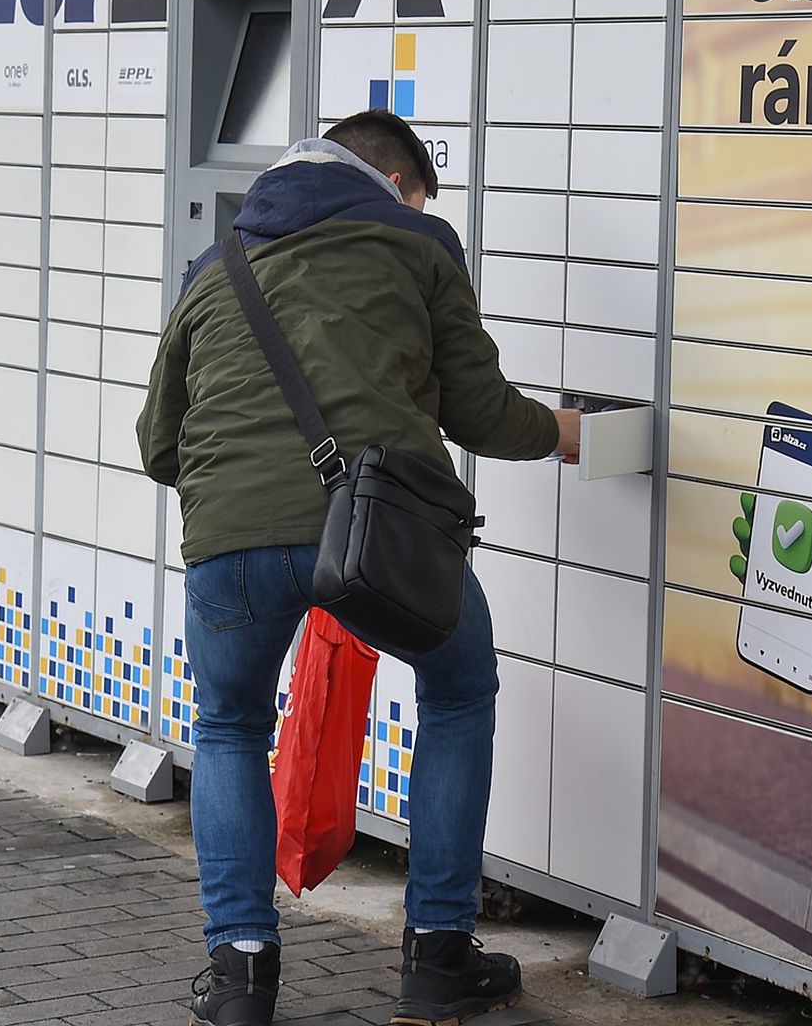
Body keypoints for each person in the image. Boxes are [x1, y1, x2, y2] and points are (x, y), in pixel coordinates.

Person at [139, 109, 582, 1026]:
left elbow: (157, 439)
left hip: (228, 541)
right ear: (397, 181)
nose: (423, 209)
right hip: (379, 530)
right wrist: (567, 434)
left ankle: (240, 981)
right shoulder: (420, 244)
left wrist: (232, 507)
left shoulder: (214, 266)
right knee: (458, 688)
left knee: (227, 728)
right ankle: (437, 960)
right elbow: (482, 412)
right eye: (422, 195)